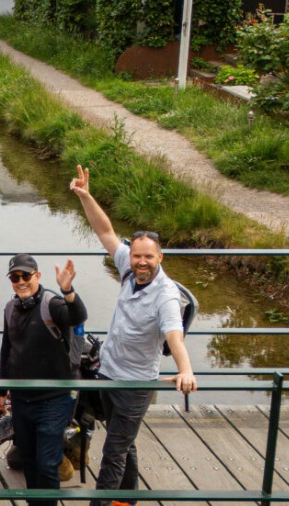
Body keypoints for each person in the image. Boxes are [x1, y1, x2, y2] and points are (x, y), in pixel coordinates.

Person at [70, 166, 198, 506]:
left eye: (148, 257)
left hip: (134, 384)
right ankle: (128, 499)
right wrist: (85, 196)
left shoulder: (165, 295)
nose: (140, 263)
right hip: (109, 373)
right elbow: (105, 231)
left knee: (114, 451)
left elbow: (175, 337)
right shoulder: (129, 266)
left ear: (160, 257)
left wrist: (186, 371)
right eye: (137, 256)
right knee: (125, 442)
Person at [0, 253, 84, 506]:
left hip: (54, 398)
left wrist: (68, 290)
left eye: (26, 276)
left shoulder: (52, 304)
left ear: (38, 276)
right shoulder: (10, 307)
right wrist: (2, 393)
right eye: (15, 277)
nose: (21, 281)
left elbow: (77, 317)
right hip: (22, 399)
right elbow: (7, 350)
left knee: (47, 462)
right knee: (30, 460)